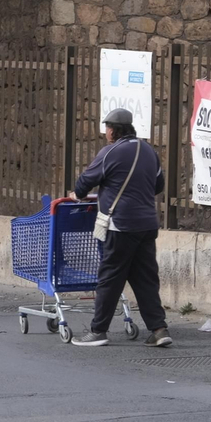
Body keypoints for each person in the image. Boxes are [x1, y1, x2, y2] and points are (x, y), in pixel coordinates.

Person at [69, 108, 172, 348]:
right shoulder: (149, 151)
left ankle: (98, 331)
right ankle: (159, 329)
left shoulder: (111, 152)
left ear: (113, 130)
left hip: (120, 225)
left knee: (110, 278)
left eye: (107, 127)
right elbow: (158, 184)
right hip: (147, 224)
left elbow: (85, 181)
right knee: (145, 278)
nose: (106, 132)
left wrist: (78, 194)